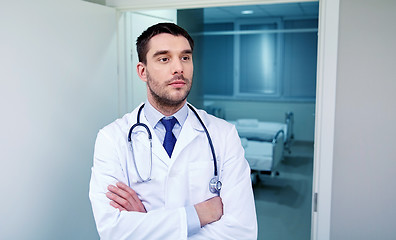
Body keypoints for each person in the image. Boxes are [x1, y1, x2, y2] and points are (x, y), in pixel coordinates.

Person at [89, 22, 257, 239]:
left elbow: (241, 231)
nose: (178, 68)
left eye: (185, 57)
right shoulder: (112, 138)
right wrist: (199, 214)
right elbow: (113, 230)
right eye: (164, 59)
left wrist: (147, 222)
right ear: (142, 71)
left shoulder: (223, 134)